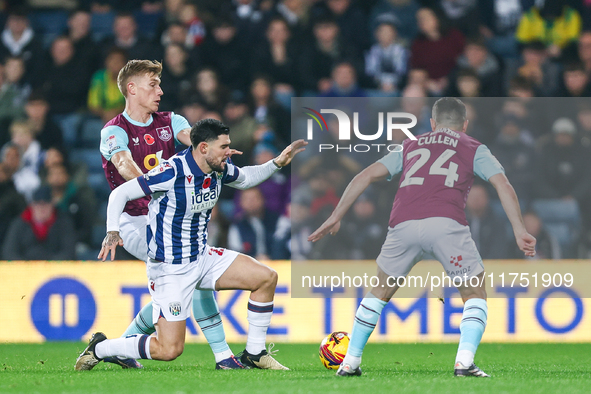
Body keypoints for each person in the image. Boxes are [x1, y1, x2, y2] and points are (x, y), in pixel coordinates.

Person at [309, 97, 536, 377]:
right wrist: (519, 229)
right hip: (446, 223)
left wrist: (336, 215)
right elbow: (503, 184)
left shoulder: (410, 144)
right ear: (465, 124)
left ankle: (350, 362)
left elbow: (365, 175)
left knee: (379, 291)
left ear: (431, 123)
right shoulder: (473, 147)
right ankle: (464, 363)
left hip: (402, 224)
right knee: (474, 292)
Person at [76, 119, 306, 370]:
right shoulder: (171, 171)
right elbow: (120, 193)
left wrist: (276, 163)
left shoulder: (219, 168)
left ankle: (254, 353)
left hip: (202, 257)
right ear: (204, 148)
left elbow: (246, 178)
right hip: (170, 268)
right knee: (169, 349)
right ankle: (101, 347)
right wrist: (112, 231)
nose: (229, 151)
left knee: (266, 278)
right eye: (224, 146)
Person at [97, 59, 240, 370]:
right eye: (153, 85)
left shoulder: (170, 121)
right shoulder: (114, 131)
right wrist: (155, 190)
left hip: (165, 218)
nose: (160, 91)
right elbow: (123, 166)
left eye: (160, 84)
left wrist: (214, 150)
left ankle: (119, 345)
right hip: (134, 221)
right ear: (132, 89)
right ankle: (223, 356)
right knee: (192, 267)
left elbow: (193, 140)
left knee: (187, 273)